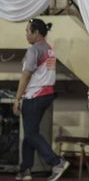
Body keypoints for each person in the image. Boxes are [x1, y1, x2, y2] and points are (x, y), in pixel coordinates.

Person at [13, 19, 70, 181]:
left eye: (27, 31)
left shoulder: (34, 50)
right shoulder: (49, 48)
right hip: (47, 94)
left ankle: (57, 162)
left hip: (35, 96)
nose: (26, 34)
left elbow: (26, 75)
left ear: (36, 32)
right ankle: (25, 170)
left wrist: (17, 99)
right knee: (30, 133)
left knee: (31, 133)